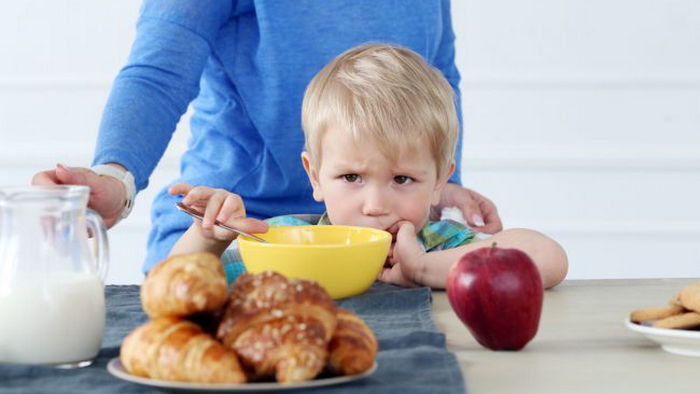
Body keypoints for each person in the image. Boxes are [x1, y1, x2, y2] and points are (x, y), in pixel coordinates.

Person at [31, 0, 503, 274]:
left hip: (390, 255)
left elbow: (437, 73)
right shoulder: (228, 243)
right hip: (237, 231)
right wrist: (116, 176)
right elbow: (158, 73)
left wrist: (436, 180)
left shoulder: (430, 241)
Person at [169, 44, 568, 289]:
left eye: (402, 179)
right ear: (314, 176)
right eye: (351, 177)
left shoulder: (443, 245)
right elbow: (173, 284)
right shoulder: (288, 244)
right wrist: (210, 238)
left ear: (439, 183)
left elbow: (546, 257)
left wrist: (425, 268)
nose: (375, 204)